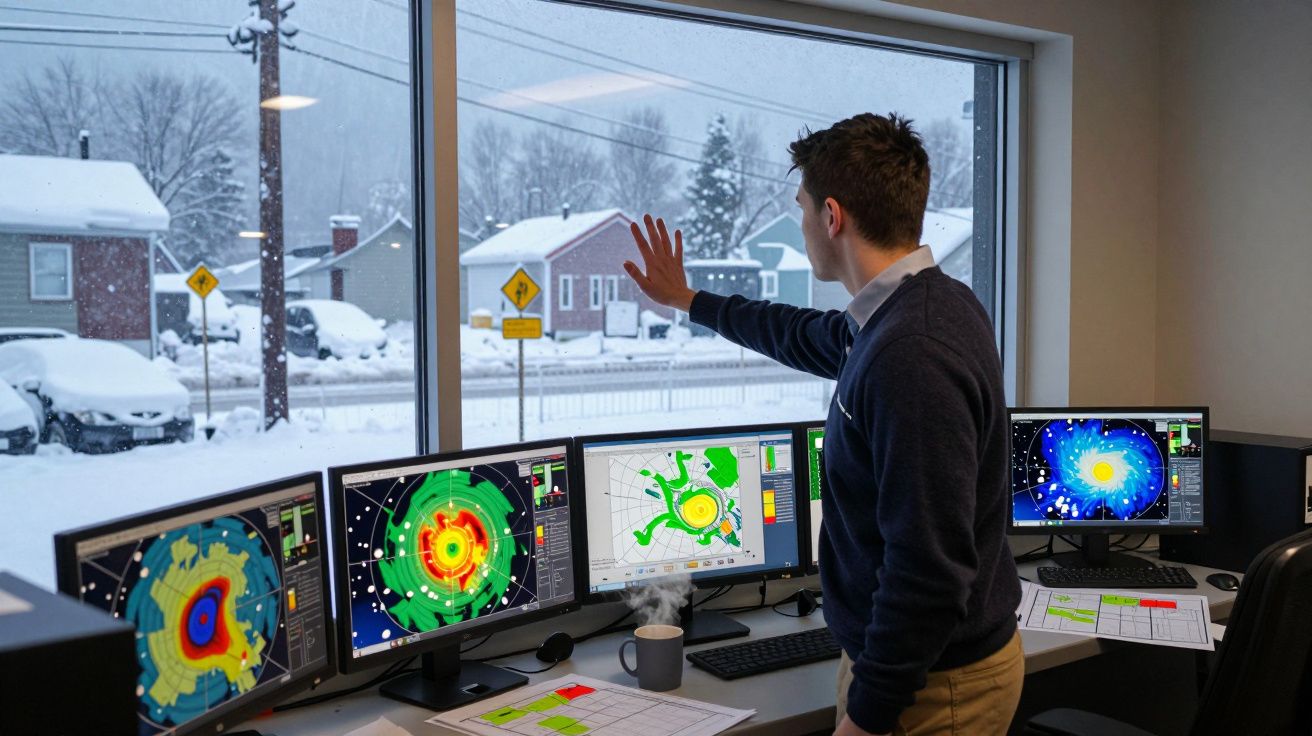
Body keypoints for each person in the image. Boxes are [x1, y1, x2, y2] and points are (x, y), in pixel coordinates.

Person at [623, 113, 1022, 736]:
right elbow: (805, 334)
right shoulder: (919, 307)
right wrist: (691, 301)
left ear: (831, 217)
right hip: (912, 669)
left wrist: (865, 717)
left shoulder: (912, 352)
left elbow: (928, 570)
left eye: (803, 207)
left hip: (932, 687)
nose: (803, 221)